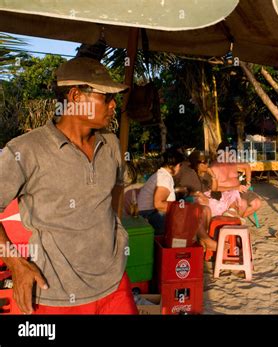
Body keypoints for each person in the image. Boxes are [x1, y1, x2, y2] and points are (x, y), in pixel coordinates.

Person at [0, 57, 138, 314]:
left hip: (114, 284)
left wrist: (118, 238)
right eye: (105, 97)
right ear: (75, 96)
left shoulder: (110, 145)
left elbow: (115, 195)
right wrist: (16, 264)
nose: (113, 105)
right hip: (55, 294)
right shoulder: (25, 150)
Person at [137, 149, 217, 251]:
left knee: (194, 204)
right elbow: (158, 204)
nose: (179, 168)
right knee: (193, 213)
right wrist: (183, 211)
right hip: (150, 216)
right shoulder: (164, 177)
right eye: (179, 165)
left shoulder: (162, 174)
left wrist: (190, 195)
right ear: (173, 165)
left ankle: (202, 240)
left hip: (149, 214)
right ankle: (205, 240)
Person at [210, 141, 262, 219]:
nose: (231, 154)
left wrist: (248, 183)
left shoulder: (232, 163)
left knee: (257, 203)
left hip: (239, 190)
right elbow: (214, 189)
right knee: (243, 204)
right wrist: (235, 188)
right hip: (226, 193)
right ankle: (237, 221)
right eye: (229, 152)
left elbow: (247, 166)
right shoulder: (214, 167)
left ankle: (237, 219)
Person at [187, 150, 242, 220]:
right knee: (202, 200)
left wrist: (213, 176)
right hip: (199, 198)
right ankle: (230, 216)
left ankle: (231, 212)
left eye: (208, 162)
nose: (207, 165)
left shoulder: (207, 174)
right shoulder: (190, 174)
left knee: (233, 192)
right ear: (199, 164)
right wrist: (198, 193)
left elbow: (214, 189)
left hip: (210, 195)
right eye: (206, 162)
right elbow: (186, 191)